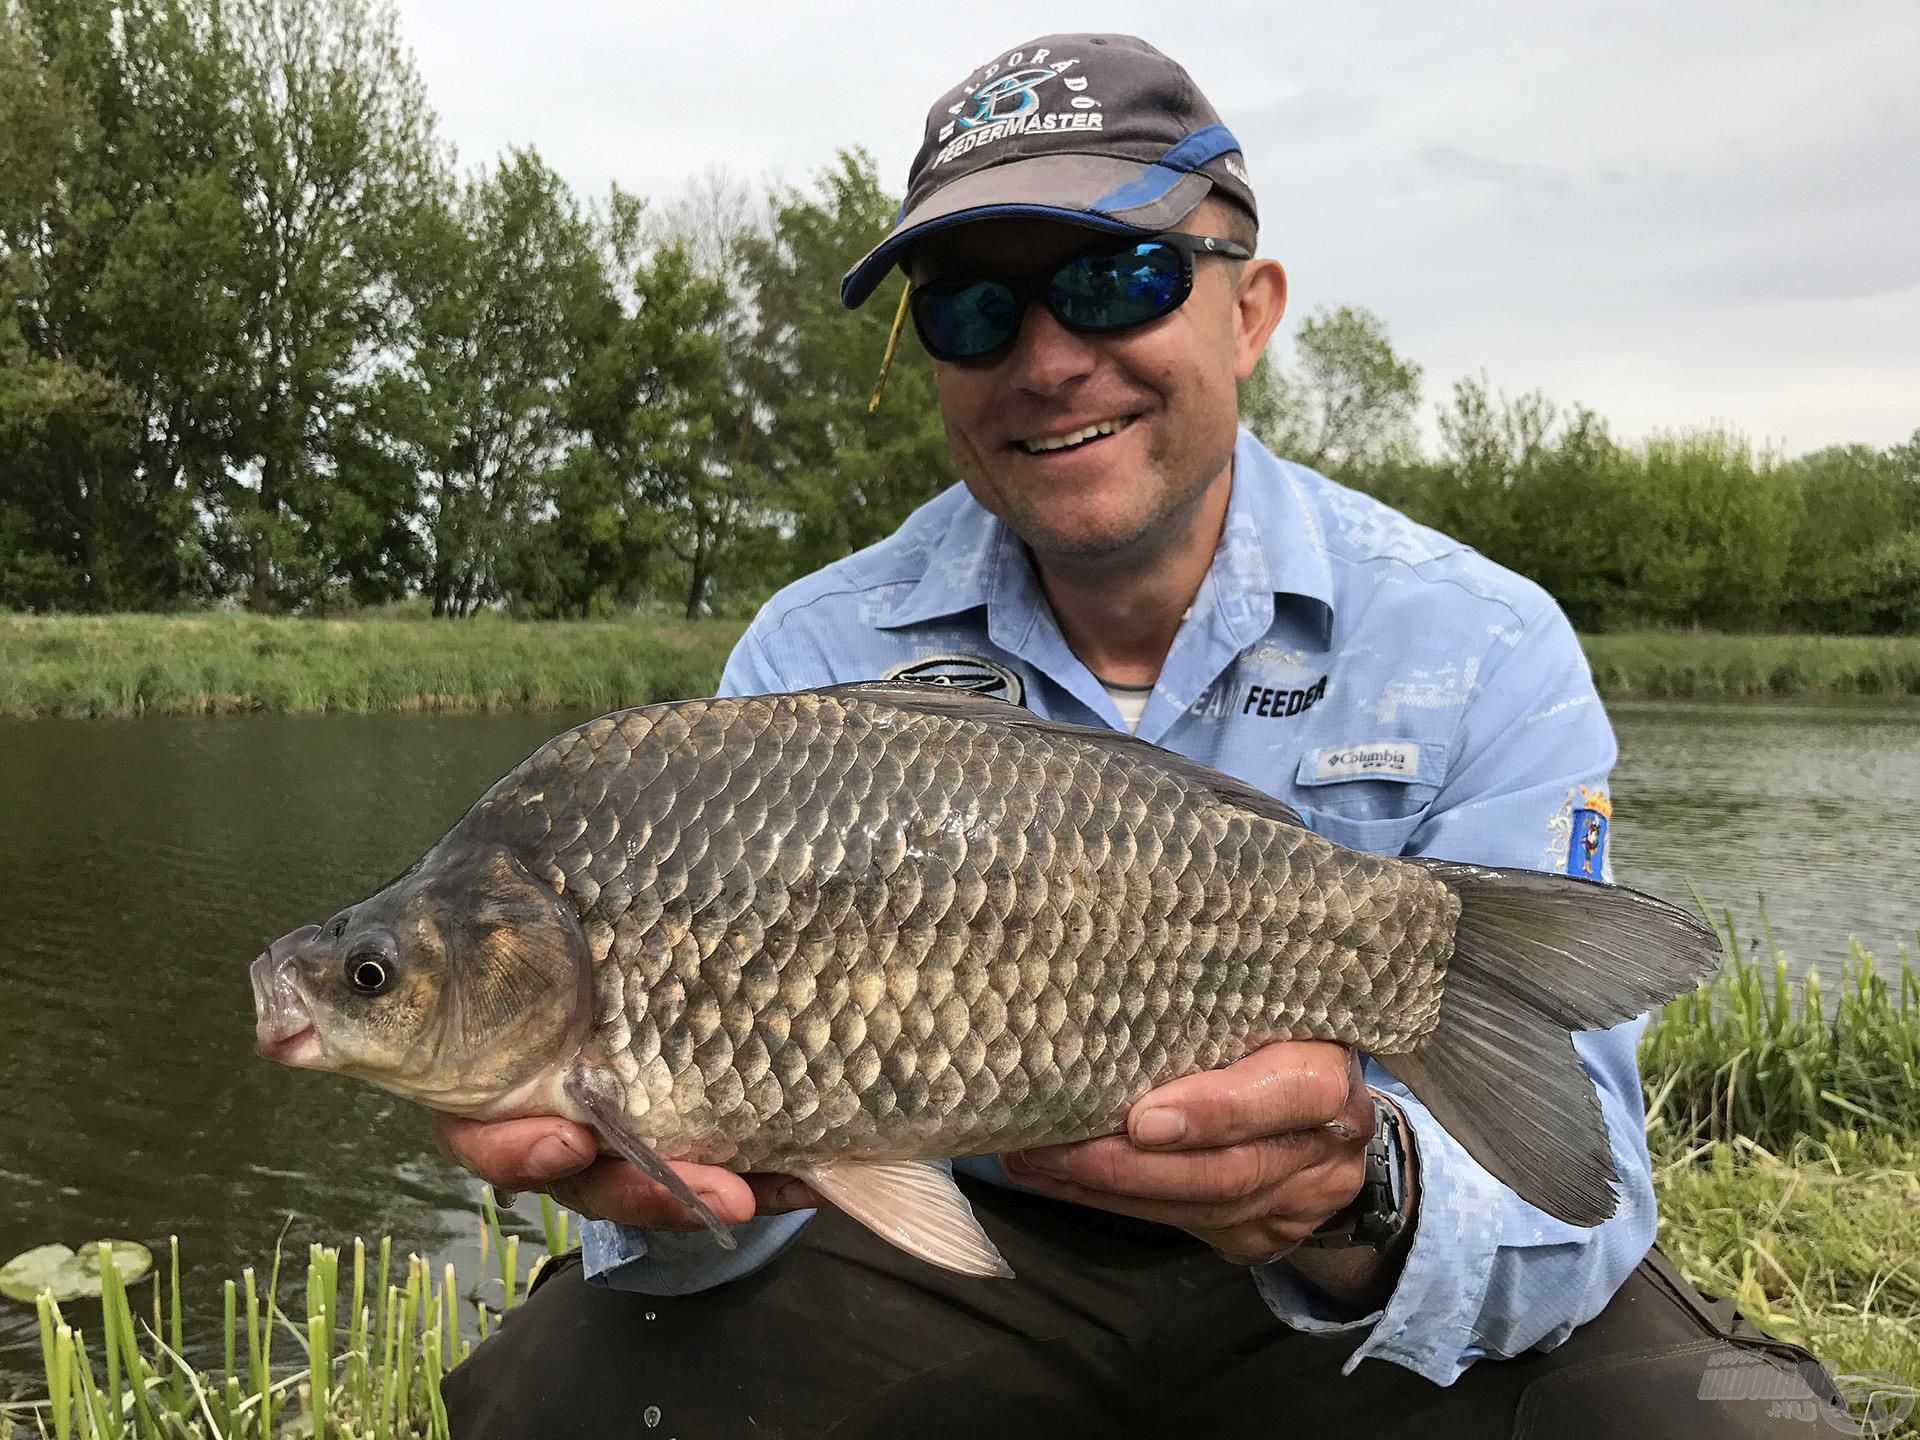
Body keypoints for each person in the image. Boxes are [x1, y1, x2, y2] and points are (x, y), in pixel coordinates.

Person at [439, 33, 1841, 1439]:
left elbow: (1572, 1222)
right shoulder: (815, 655)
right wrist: (669, 1201)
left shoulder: (1480, 642)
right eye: (975, 311)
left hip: (1335, 1261)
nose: (1049, 360)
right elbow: (746, 1218)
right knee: (560, 1395)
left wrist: (1358, 1197)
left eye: (1121, 278)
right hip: (974, 1263)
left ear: (1250, 310)